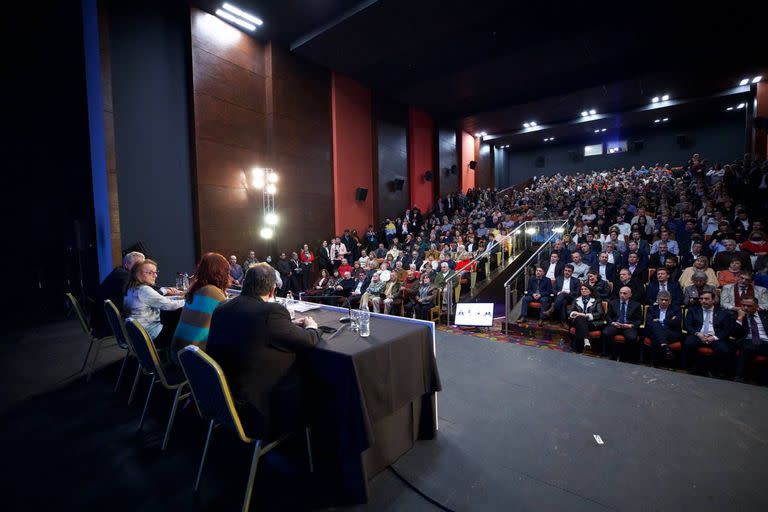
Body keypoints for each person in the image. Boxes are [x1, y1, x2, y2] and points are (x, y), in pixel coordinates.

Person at [205, 263, 319, 437]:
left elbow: (255, 329)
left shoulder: (221, 308)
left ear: (245, 283)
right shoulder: (271, 312)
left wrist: (286, 326)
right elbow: (308, 341)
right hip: (257, 408)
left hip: (221, 398)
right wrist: (311, 327)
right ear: (273, 290)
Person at [170, 253, 230, 363]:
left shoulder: (196, 289)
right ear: (220, 272)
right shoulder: (213, 292)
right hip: (193, 360)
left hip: (178, 353)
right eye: (227, 270)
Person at [124, 259, 184, 349]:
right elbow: (170, 305)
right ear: (137, 274)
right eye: (150, 273)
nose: (155, 275)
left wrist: (179, 298)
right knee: (186, 328)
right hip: (151, 336)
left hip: (138, 334)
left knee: (174, 318)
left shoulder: (133, 288)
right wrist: (190, 300)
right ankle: (182, 357)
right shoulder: (144, 290)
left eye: (155, 272)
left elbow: (161, 300)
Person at [91, 251, 145, 338]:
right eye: (137, 265)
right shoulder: (123, 275)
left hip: (104, 321)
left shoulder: (120, 272)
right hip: (108, 324)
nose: (140, 268)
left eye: (142, 265)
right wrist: (163, 291)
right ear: (126, 264)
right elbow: (140, 290)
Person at [682, 290, 733, 375]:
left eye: (706, 299)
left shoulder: (723, 313)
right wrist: (697, 334)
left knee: (724, 349)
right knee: (688, 343)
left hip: (715, 337)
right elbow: (687, 325)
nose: (703, 301)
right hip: (698, 336)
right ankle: (692, 368)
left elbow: (727, 330)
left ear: (713, 300)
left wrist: (714, 338)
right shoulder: (693, 310)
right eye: (701, 299)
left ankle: (717, 371)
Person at [602, 286, 643, 360]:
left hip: (627, 326)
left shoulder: (636, 305)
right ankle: (612, 354)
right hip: (615, 325)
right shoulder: (613, 303)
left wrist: (631, 325)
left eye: (624, 293)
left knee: (632, 337)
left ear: (630, 295)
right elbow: (608, 316)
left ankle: (625, 356)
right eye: (620, 293)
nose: (622, 295)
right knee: (606, 333)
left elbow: (639, 320)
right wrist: (612, 323)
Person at [733, 298, 768, 382]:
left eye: (749, 306)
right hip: (748, 341)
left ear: (757, 307)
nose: (745, 308)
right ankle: (739, 376)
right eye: (743, 305)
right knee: (747, 348)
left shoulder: (765, 315)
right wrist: (740, 318)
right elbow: (734, 333)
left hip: (766, 342)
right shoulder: (735, 316)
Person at [644, 291, 682, 365]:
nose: (664, 302)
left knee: (656, 332)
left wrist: (661, 321)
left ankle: (654, 362)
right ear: (657, 300)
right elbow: (649, 323)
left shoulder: (676, 309)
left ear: (670, 301)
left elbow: (676, 322)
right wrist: (670, 321)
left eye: (666, 300)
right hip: (655, 331)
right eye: (661, 299)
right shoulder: (651, 309)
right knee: (655, 327)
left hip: (671, 333)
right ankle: (665, 349)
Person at [567, 284, 604, 353]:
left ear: (590, 291)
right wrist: (575, 313)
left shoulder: (596, 301)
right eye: (582, 289)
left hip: (591, 322)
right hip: (577, 320)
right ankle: (586, 339)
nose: (583, 290)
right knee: (580, 319)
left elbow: (600, 313)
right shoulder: (576, 300)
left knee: (580, 325)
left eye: (585, 289)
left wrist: (586, 315)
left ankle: (578, 350)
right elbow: (569, 311)